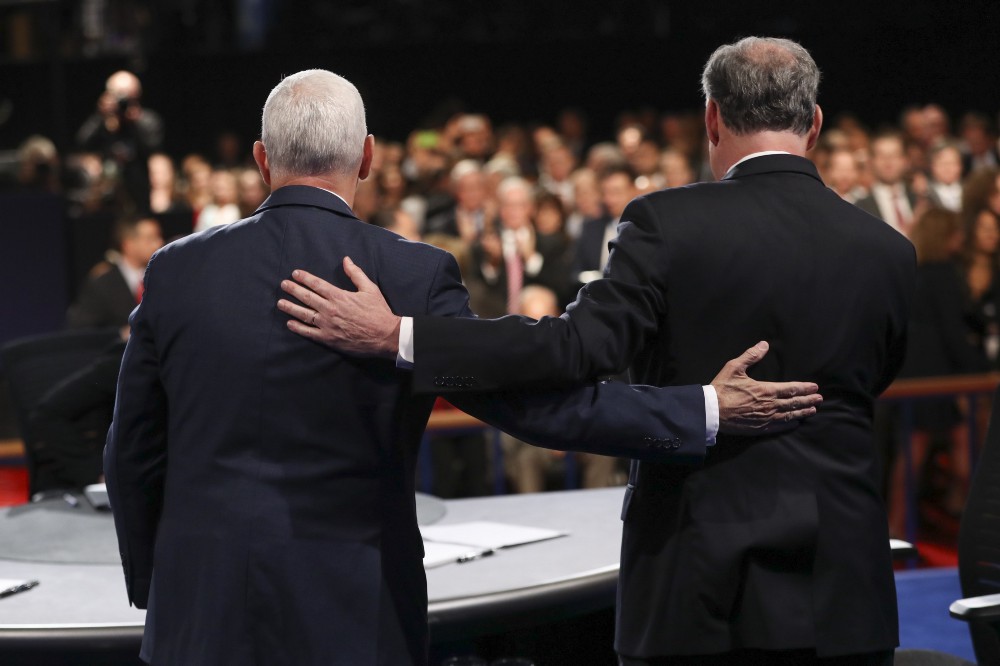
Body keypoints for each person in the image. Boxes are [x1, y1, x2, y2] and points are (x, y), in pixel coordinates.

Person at [106, 69, 820, 666]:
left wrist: (156, 582)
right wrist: (702, 409)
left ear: (263, 159)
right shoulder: (409, 274)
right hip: (354, 613)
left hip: (195, 613)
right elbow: (539, 407)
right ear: (367, 157)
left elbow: (132, 451)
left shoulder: (176, 271)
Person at [280, 38, 915, 665]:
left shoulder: (668, 223)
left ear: (712, 118)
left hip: (698, 585)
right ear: (815, 123)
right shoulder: (889, 251)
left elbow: (574, 349)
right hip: (845, 594)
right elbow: (876, 377)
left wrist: (401, 335)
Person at [76, 70, 164, 212]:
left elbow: (152, 148)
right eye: (118, 94)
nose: (123, 100)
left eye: (127, 94)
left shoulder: (147, 120)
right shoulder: (105, 121)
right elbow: (83, 142)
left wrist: (134, 122)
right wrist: (101, 115)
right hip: (107, 196)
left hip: (138, 194)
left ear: (137, 94)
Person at [67, 216, 163, 329]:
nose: (159, 243)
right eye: (150, 239)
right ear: (128, 245)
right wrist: (120, 333)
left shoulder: (166, 277)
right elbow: (81, 329)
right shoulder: (102, 284)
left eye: (159, 237)